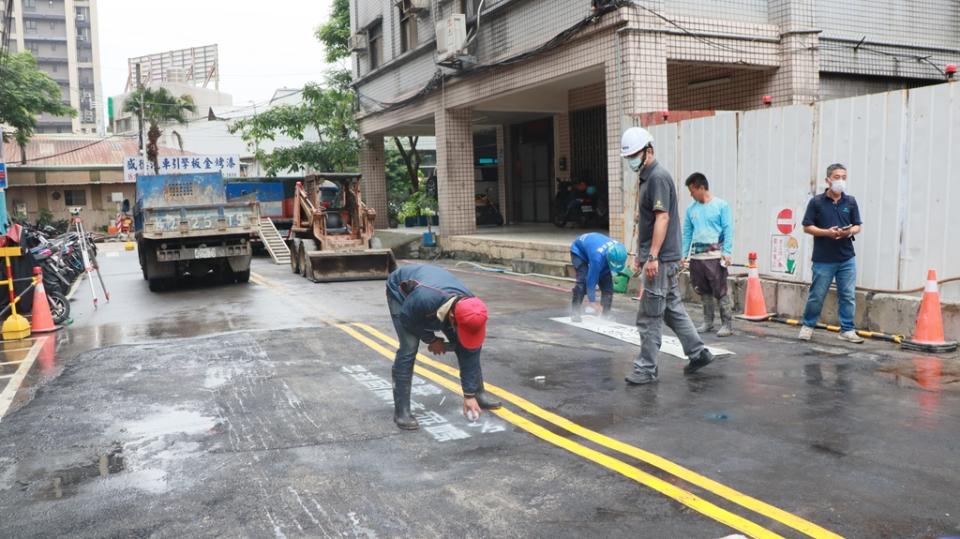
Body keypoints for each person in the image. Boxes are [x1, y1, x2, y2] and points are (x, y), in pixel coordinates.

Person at [620, 127, 715, 385]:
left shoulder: (657, 177)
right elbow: (651, 222)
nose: (631, 160)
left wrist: (652, 257)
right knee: (671, 310)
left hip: (660, 261)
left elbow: (663, 218)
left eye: (634, 155)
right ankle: (698, 352)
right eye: (628, 156)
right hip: (662, 258)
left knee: (650, 316)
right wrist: (643, 254)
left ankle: (646, 369)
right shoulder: (646, 176)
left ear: (648, 151)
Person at [385, 264, 502, 430]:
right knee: (408, 348)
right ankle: (401, 412)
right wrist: (432, 340)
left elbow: (471, 351)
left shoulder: (472, 307)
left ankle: (477, 395)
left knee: (468, 347)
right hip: (401, 295)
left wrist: (469, 395)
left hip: (441, 302)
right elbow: (407, 319)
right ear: (453, 318)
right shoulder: (424, 298)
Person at [798, 163, 864, 343]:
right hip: (823, 259)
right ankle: (808, 325)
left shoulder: (850, 202)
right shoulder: (816, 202)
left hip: (846, 258)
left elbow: (857, 225)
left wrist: (848, 231)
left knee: (848, 295)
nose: (841, 181)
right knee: (817, 295)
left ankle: (847, 330)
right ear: (827, 180)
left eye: (844, 177)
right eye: (837, 177)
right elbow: (807, 227)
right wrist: (827, 232)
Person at [681, 172, 735, 337]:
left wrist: (727, 252)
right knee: (703, 290)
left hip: (715, 256)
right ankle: (708, 321)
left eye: (692, 190)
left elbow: (728, 229)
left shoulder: (721, 206)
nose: (691, 194)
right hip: (697, 257)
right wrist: (684, 255)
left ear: (701, 188)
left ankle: (727, 324)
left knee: (720, 290)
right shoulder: (691, 210)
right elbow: (687, 233)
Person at [569, 232, 628, 322]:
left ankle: (605, 314)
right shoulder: (597, 258)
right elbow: (591, 281)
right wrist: (592, 302)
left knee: (608, 286)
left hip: (596, 249)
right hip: (579, 252)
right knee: (583, 280)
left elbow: (607, 271)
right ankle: (575, 312)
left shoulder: (619, 250)